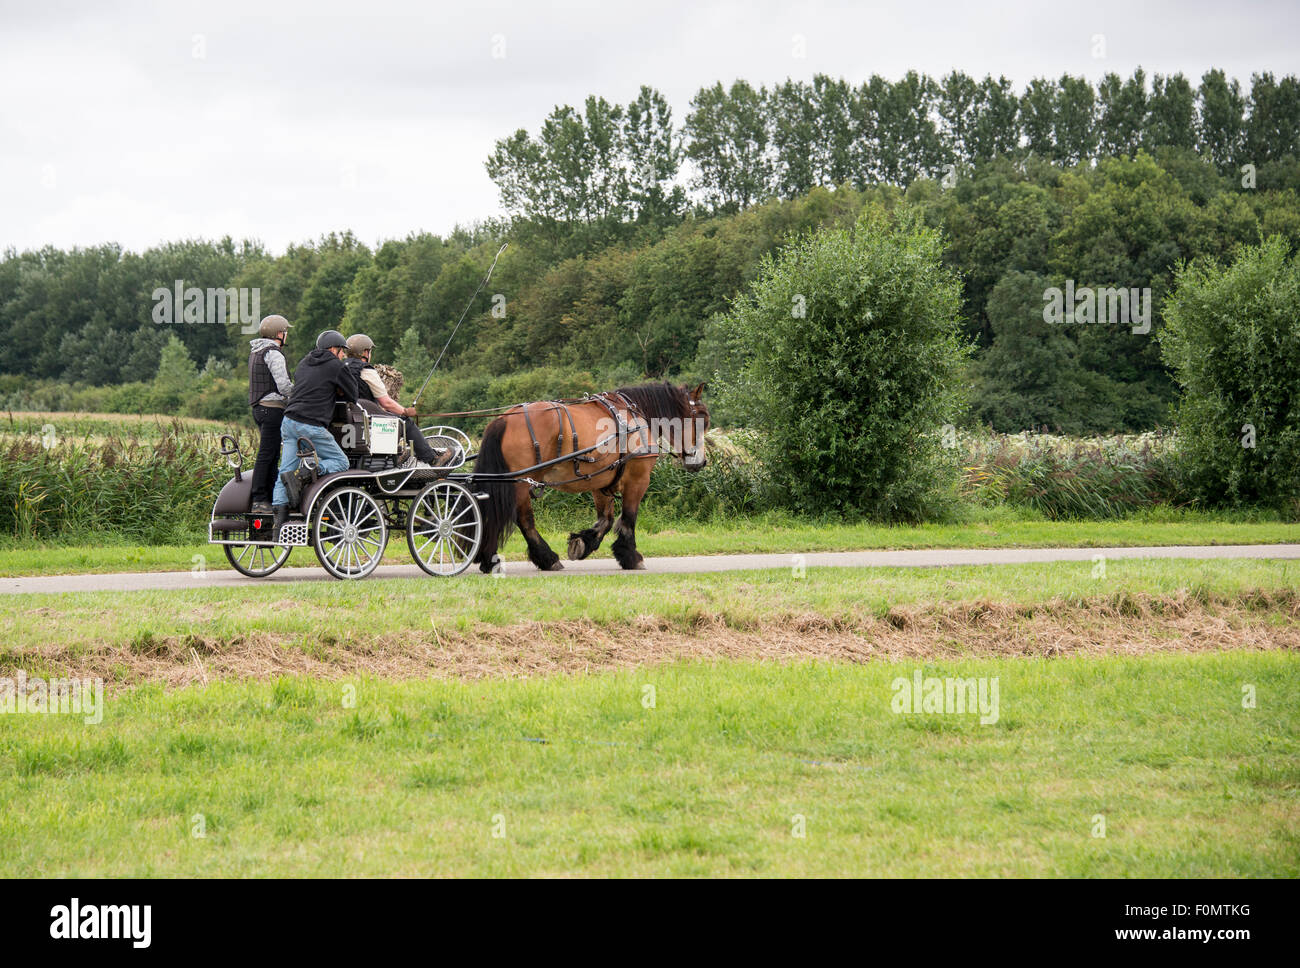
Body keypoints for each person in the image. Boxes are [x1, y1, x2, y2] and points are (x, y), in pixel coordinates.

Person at [270, 330, 360, 535]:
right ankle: (306, 473)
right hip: (310, 424)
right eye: (342, 351)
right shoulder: (336, 366)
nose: (344, 356)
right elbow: (353, 394)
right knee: (341, 462)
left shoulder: (304, 362)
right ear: (333, 349)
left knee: (285, 470)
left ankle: (279, 519)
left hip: (289, 421)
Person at [342, 333, 440, 467]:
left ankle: (395, 456)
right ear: (365, 352)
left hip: (347, 420)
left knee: (391, 419)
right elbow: (386, 403)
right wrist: (405, 411)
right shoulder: (366, 370)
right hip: (365, 422)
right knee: (405, 422)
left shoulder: (340, 368)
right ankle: (432, 459)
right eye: (370, 350)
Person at [247, 314, 294, 514]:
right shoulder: (274, 353)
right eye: (285, 332)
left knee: (272, 453)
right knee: (268, 454)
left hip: (258, 408)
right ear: (278, 333)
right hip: (272, 409)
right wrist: (298, 396)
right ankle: (259, 498)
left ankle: (268, 498)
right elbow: (283, 385)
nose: (286, 336)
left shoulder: (256, 351)